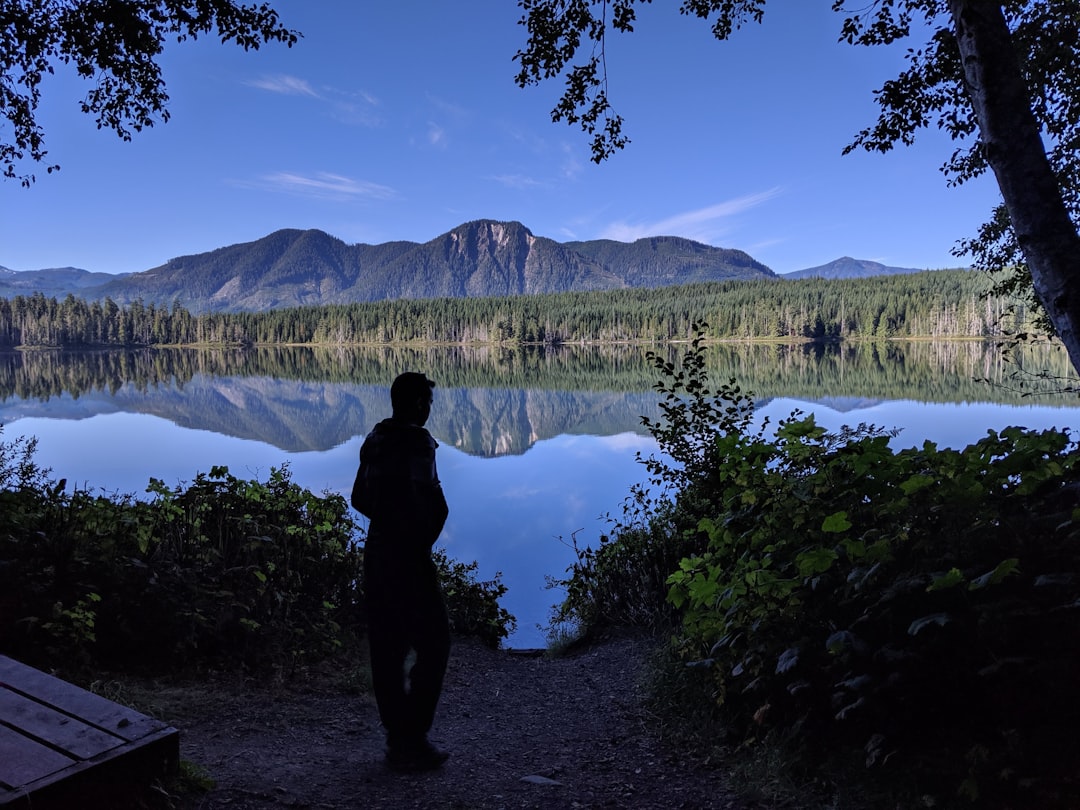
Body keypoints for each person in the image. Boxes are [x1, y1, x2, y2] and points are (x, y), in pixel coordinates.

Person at [351, 371, 451, 772]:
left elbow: (360, 498)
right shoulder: (418, 445)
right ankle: (414, 737)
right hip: (409, 557)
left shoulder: (374, 441)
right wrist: (419, 539)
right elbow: (429, 502)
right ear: (413, 404)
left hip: (378, 553)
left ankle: (398, 738)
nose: (428, 410)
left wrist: (387, 525)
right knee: (436, 642)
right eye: (426, 402)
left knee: (387, 649)